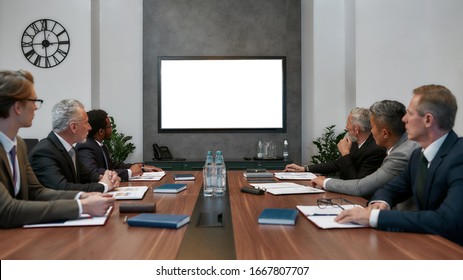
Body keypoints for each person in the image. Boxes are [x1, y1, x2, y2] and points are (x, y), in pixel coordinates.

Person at [335, 85, 463, 246]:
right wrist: (379, 203)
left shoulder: (459, 157)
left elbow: (446, 221)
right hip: (427, 244)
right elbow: (390, 189)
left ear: (428, 120)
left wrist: (375, 217)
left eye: (409, 113)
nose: (403, 120)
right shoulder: (418, 156)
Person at [0, 70, 114, 227]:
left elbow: (37, 192)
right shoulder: (40, 149)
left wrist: (81, 197)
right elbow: (7, 210)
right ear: (18, 107)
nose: (35, 107)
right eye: (34, 100)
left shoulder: (19, 145)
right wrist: (82, 207)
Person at [310, 100, 420, 200]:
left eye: (372, 127)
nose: (370, 132)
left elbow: (361, 187)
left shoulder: (401, 154)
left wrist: (325, 182)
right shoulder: (403, 144)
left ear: (385, 133)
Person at [29, 99, 121, 193]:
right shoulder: (44, 152)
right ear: (73, 127)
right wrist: (103, 186)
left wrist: (107, 177)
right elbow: (62, 188)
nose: (89, 127)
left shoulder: (70, 149)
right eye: (86, 122)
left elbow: (87, 175)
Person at [285, 107, 386, 180]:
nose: (346, 127)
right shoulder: (355, 143)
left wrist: (345, 153)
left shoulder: (376, 149)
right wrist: (304, 168)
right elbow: (337, 164)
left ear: (356, 129)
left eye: (348, 124)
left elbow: (357, 183)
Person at [76, 109, 162, 181]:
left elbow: (112, 165)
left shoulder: (100, 145)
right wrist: (130, 172)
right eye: (110, 126)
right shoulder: (85, 146)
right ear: (101, 131)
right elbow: (94, 172)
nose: (112, 129)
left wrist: (140, 166)